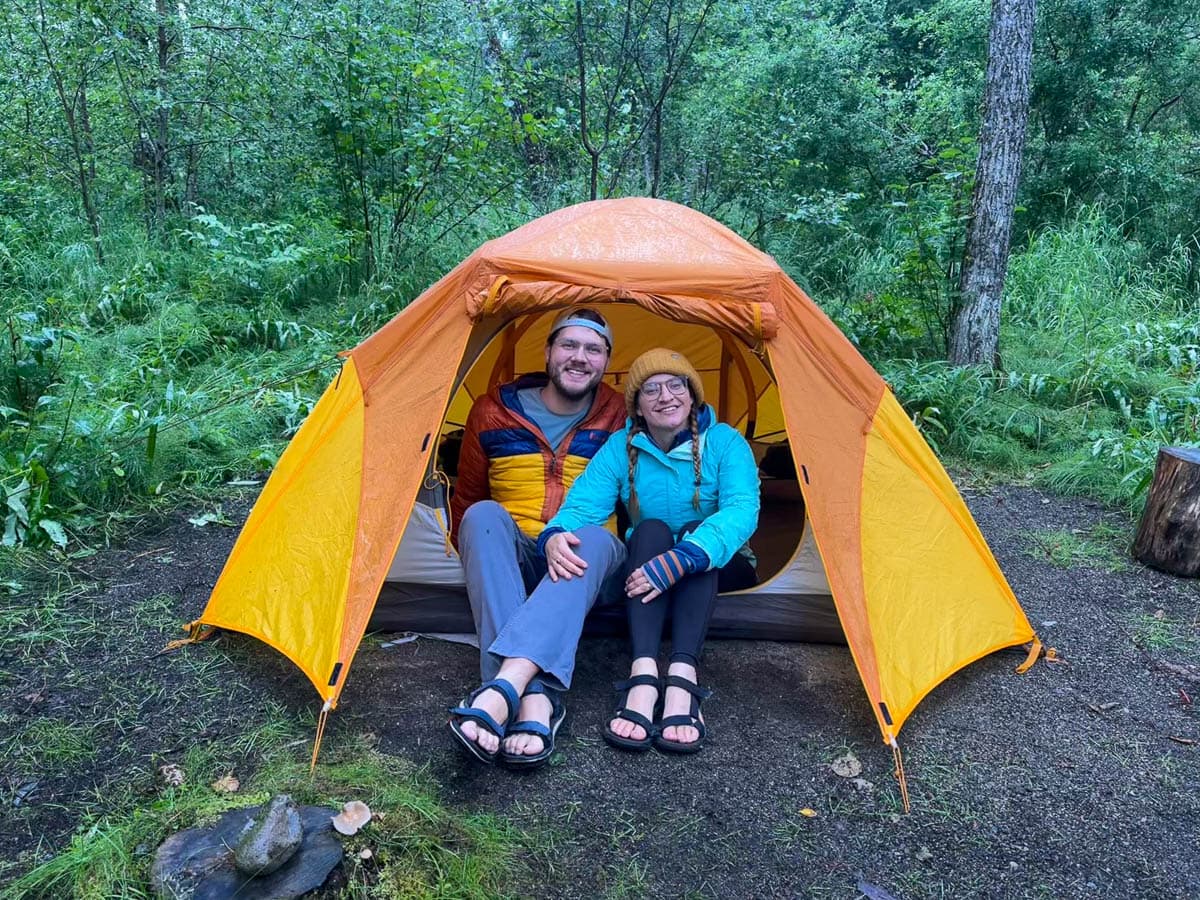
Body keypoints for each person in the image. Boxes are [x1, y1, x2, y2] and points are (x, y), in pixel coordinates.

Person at [538, 348, 760, 754]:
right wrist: (554, 533)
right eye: (651, 389)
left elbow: (743, 509)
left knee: (697, 534)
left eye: (677, 385)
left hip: (720, 566)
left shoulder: (725, 442)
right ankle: (642, 673)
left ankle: (682, 677)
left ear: (693, 395)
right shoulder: (622, 447)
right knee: (651, 530)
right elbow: (585, 505)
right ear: (637, 406)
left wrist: (684, 557)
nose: (666, 396)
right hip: (647, 565)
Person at [446, 307, 627, 768]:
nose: (579, 358)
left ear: (607, 360)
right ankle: (537, 700)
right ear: (547, 351)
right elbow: (466, 497)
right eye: (569, 345)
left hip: (592, 564)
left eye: (593, 349)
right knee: (484, 514)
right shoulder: (490, 412)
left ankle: (499, 693)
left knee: (591, 538)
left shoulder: (622, 415)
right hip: (520, 552)